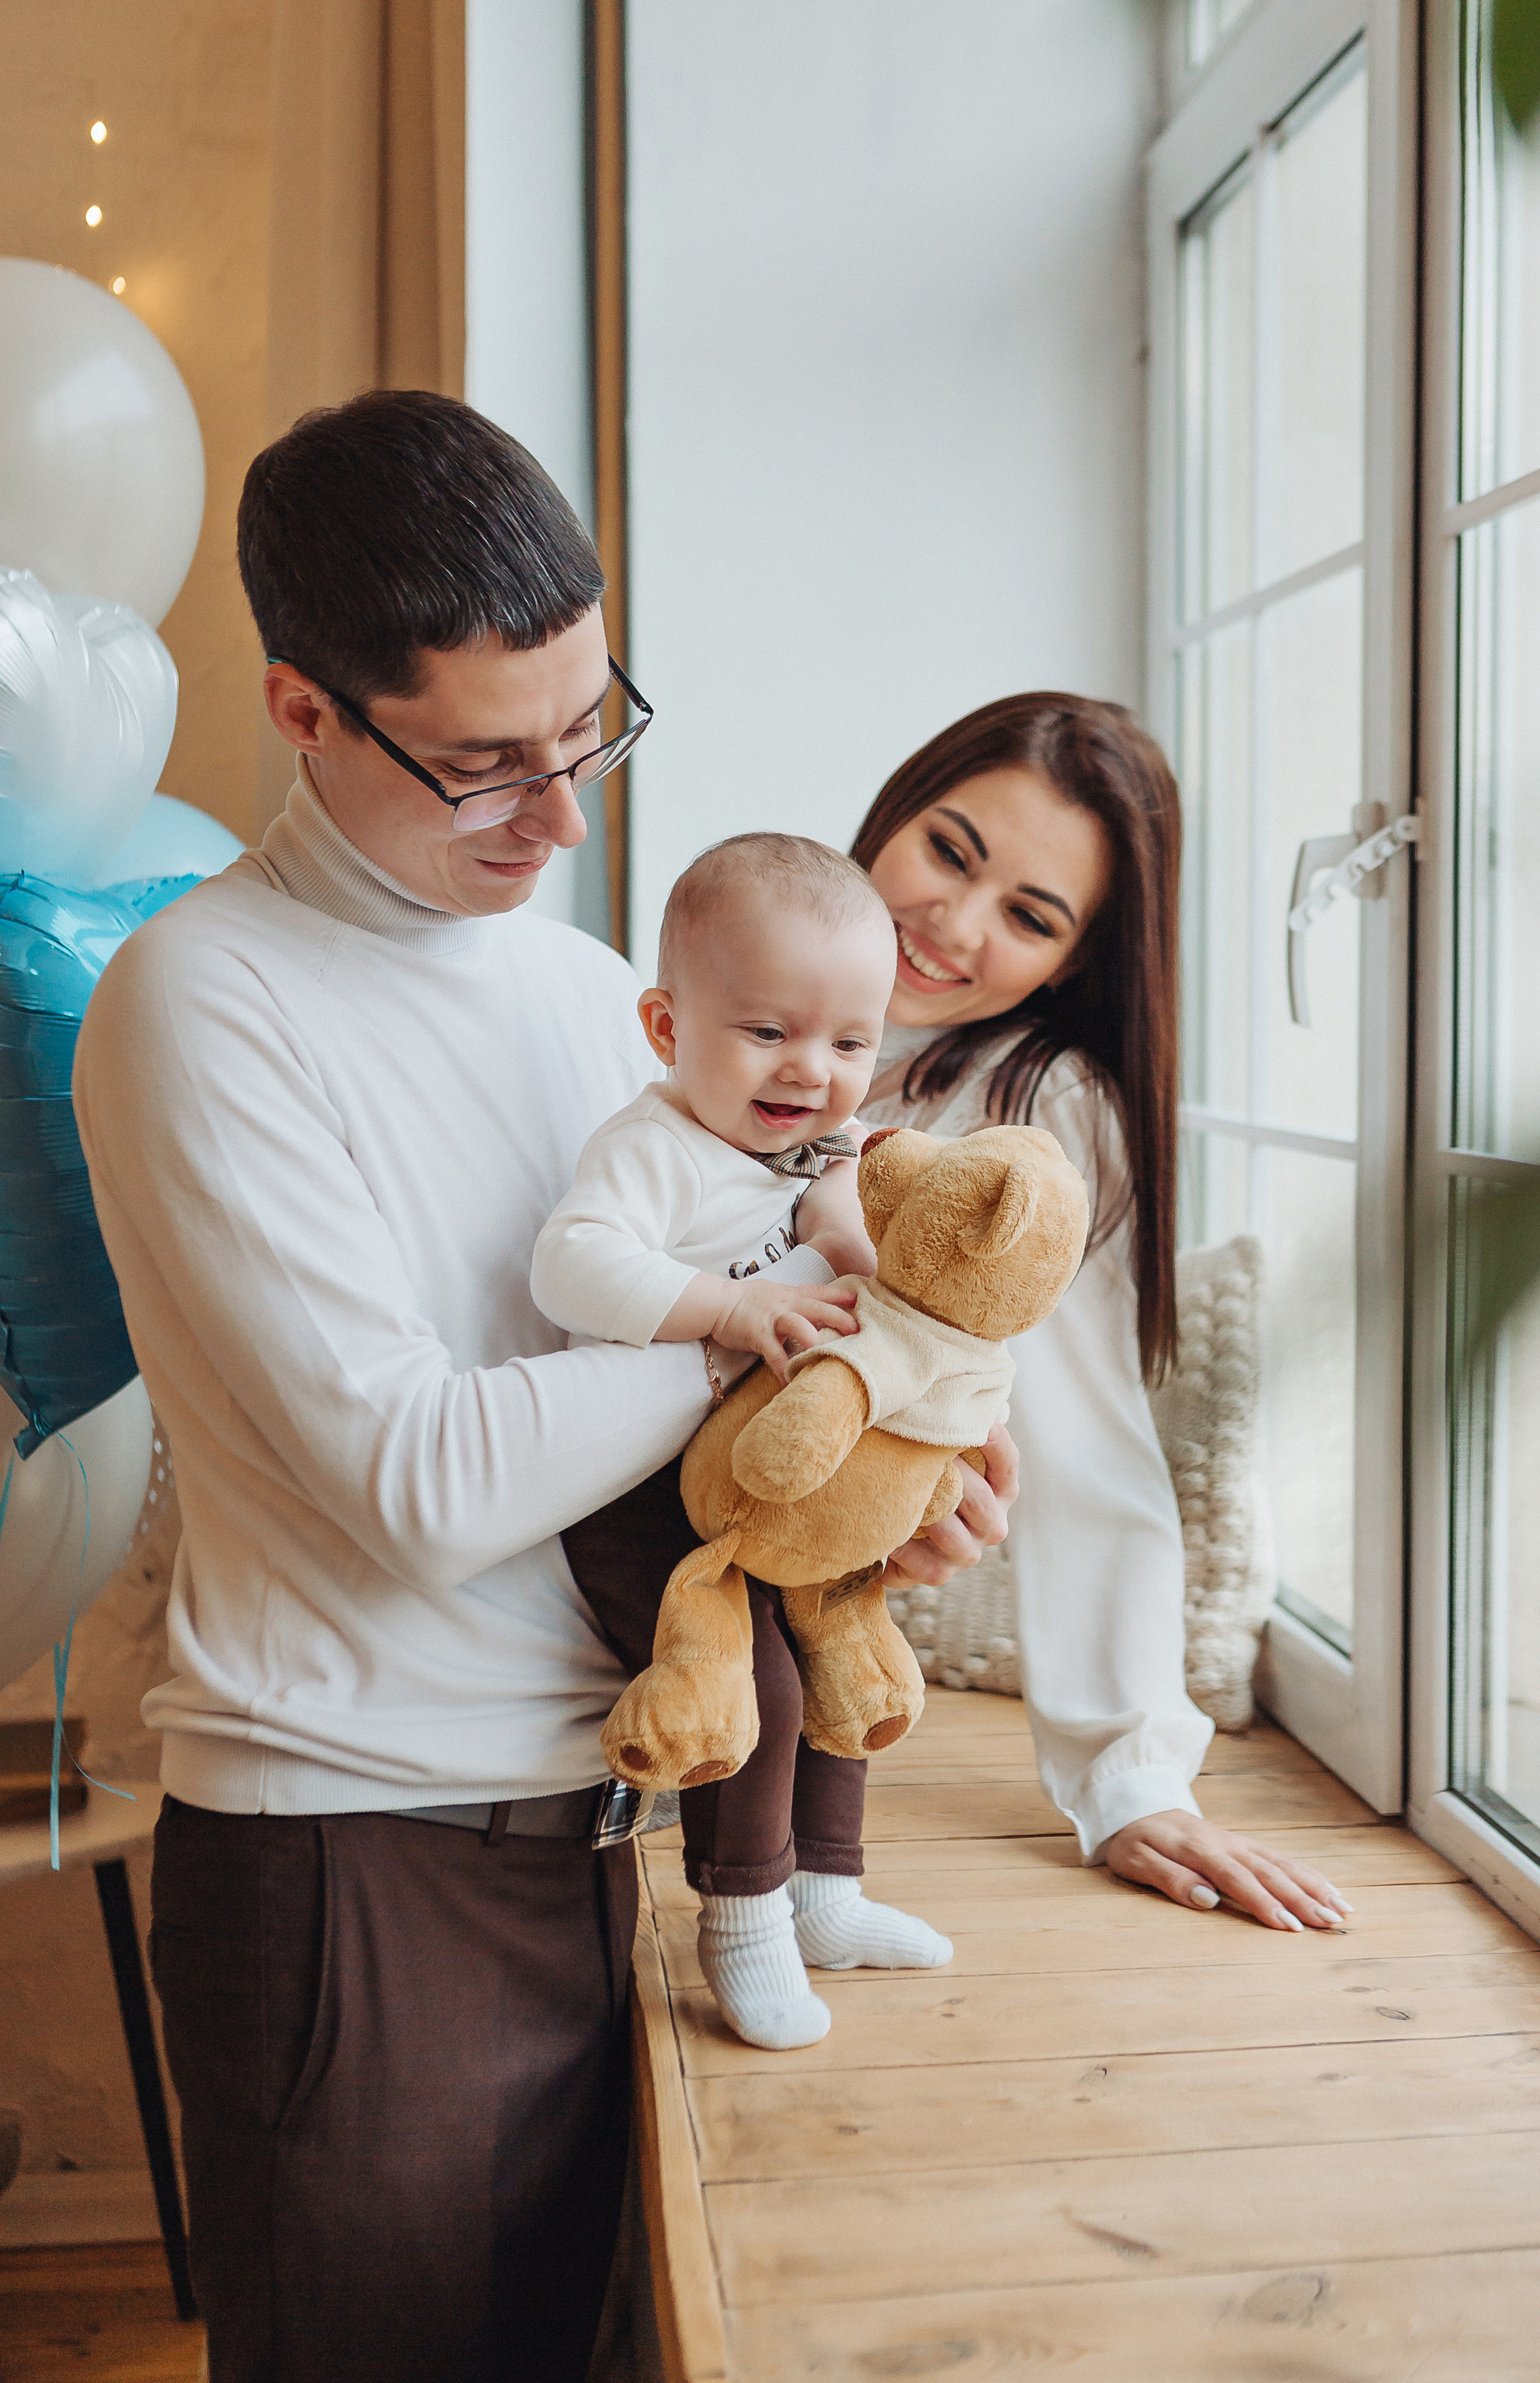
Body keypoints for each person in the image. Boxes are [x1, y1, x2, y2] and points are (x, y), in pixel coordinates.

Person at [70, 390, 1013, 2383]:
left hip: (613, 1828)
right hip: (354, 1866)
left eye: (591, 730)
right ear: (305, 711)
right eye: (490, 763)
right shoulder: (198, 1004)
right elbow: (424, 1482)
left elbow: (672, 1406)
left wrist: (864, 1468)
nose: (563, 817)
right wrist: (783, 1337)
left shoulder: (601, 995)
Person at [849, 693, 1353, 1934]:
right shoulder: (747, 994)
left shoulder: (1037, 1112)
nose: (954, 925)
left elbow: (1085, 1449)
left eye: (1030, 916)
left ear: (1074, 962)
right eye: (949, 851)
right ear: (894, 812)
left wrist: (1131, 1777)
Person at [540, 832, 956, 2053]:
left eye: (850, 1044)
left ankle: (827, 1890)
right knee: (755, 1684)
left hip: (766, 1476)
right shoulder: (655, 1148)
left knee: (835, 1654)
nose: (810, 1070)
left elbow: (857, 1256)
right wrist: (730, 1309)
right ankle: (744, 1919)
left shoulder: (817, 1156)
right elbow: (570, 1265)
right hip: (636, 1491)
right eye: (767, 1031)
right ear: (667, 1027)